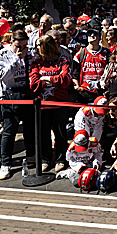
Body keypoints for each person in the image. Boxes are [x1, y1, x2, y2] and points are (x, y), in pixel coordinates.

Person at [0, 30, 35, 179]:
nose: (22, 49)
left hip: (27, 94)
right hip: (9, 95)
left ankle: (31, 157)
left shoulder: (30, 53)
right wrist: (17, 60)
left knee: (30, 129)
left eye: (24, 46)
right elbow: (3, 76)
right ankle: (5, 163)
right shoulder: (2, 55)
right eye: (18, 46)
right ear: (12, 42)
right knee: (9, 131)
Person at [30, 32, 73, 174]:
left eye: (38, 46)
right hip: (42, 105)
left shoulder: (63, 60)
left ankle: (61, 158)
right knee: (43, 133)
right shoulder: (36, 63)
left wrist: (47, 80)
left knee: (60, 132)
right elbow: (34, 84)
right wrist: (54, 79)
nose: (36, 49)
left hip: (60, 103)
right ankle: (45, 159)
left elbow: (65, 80)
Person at [72, 29, 109, 102]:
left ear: (100, 37)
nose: (91, 36)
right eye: (89, 34)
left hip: (102, 91)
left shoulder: (107, 53)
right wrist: (77, 86)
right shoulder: (80, 54)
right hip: (85, 92)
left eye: (94, 34)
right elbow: (75, 74)